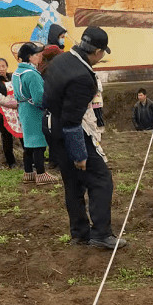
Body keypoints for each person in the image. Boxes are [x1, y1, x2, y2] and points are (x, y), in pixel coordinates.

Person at [42, 27, 126, 249]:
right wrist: (79, 155)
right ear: (97, 51)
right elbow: (71, 123)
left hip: (50, 125)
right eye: (103, 52)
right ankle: (100, 234)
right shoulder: (82, 77)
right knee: (101, 179)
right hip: (68, 130)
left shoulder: (62, 60)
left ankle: (80, 233)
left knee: (73, 182)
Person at [13, 42, 59, 184]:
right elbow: (39, 98)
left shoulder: (17, 72)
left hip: (23, 108)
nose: (40, 56)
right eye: (36, 54)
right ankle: (41, 173)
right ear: (29, 57)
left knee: (28, 141)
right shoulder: (32, 74)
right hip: (34, 110)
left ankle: (28, 172)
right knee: (39, 142)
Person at [0, 58, 22, 169]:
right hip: (3, 114)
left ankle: (30, 157)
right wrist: (17, 103)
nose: (1, 69)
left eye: (3, 66)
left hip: (17, 112)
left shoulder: (12, 77)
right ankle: (11, 162)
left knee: (23, 135)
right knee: (7, 137)